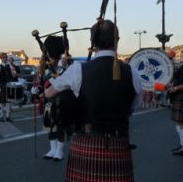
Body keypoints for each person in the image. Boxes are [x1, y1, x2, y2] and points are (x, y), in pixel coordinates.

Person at [45, 20, 142, 182]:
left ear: (92, 43)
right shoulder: (131, 71)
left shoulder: (77, 69)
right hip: (118, 142)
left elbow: (49, 93)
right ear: (117, 40)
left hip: (85, 141)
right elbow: (135, 105)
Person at [0, 54, 19, 122]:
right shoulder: (0, 65)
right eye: (3, 57)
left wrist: (15, 74)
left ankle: (8, 116)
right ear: (1, 58)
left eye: (6, 57)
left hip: (8, 85)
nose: (5, 58)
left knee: (9, 101)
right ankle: (1, 116)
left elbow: (14, 74)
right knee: (1, 101)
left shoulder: (9, 66)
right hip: (2, 85)